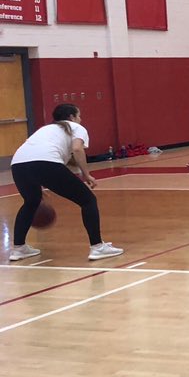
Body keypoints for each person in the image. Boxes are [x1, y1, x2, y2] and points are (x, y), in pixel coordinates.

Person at [8, 103, 124, 262]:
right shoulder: (76, 128)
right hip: (44, 163)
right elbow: (77, 149)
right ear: (71, 117)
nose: (81, 119)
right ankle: (97, 247)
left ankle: (19, 248)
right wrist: (87, 175)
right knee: (88, 200)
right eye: (79, 115)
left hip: (18, 164)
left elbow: (42, 156)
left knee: (31, 202)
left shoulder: (45, 129)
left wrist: (39, 182)